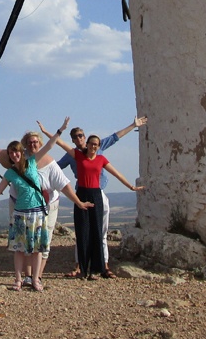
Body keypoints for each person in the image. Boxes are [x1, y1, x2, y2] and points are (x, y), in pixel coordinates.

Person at [0, 126, 89, 291]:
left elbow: (65, 185)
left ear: (39, 143)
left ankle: (37, 277)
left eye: (35, 142)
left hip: (43, 207)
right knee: (22, 245)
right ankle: (26, 277)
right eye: (29, 142)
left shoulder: (44, 163)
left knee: (41, 244)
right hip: (20, 208)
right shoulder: (16, 166)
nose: (33, 144)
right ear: (24, 145)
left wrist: (78, 202)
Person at [40, 115, 148, 277]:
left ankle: (102, 267)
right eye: (76, 136)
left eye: (81, 135)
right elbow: (57, 158)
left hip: (98, 194)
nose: (80, 139)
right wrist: (49, 132)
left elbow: (116, 139)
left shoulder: (100, 153)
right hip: (81, 193)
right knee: (82, 231)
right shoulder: (75, 154)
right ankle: (80, 268)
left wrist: (133, 125)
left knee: (100, 232)